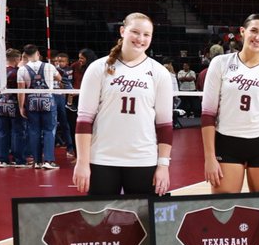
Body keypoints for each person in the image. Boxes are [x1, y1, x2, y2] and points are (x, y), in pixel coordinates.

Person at [73, 13, 173, 195]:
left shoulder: (159, 73)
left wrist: (163, 166)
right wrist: (82, 162)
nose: (140, 39)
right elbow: (84, 120)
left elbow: (165, 125)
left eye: (146, 34)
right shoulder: (98, 68)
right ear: (122, 31)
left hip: (143, 160)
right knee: (98, 220)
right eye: (135, 32)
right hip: (102, 159)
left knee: (144, 222)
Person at [200, 13, 259, 194]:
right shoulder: (220, 63)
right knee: (224, 209)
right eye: (254, 31)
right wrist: (209, 157)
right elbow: (207, 114)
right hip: (227, 142)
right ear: (243, 32)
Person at [17, 45, 60, 169]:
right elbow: (59, 78)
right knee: (49, 130)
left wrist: (21, 107)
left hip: (32, 101)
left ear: (25, 55)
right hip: (47, 100)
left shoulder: (22, 69)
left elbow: (21, 90)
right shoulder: (49, 66)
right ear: (38, 53)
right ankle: (48, 160)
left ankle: (37, 161)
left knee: (34, 131)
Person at [51, 51, 76, 159]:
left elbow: (69, 88)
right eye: (56, 61)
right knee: (51, 125)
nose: (58, 63)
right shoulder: (48, 70)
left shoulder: (64, 72)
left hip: (60, 97)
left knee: (65, 124)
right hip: (50, 96)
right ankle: (49, 150)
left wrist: (69, 102)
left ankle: (70, 148)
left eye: (60, 61)